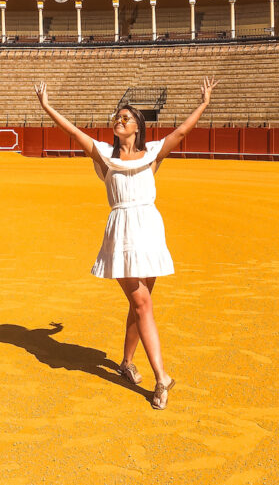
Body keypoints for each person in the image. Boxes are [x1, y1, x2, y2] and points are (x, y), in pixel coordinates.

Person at [33, 77, 218, 409]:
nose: (120, 120)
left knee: (140, 305)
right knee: (142, 304)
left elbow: (180, 133)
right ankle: (162, 379)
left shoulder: (152, 153)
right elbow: (74, 133)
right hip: (121, 230)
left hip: (149, 228)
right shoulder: (105, 154)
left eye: (126, 117)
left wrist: (203, 103)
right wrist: (48, 107)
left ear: (137, 128)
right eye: (117, 117)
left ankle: (126, 363)